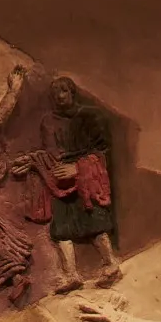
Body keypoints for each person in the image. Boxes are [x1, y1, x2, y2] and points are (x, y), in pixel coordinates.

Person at [43, 73, 122, 291]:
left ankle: (111, 264)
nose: (59, 96)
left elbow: (102, 150)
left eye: (63, 90)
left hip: (86, 177)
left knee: (94, 222)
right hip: (62, 179)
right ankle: (71, 275)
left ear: (72, 92)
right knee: (61, 227)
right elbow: (50, 151)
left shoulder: (90, 116)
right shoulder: (49, 122)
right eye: (55, 93)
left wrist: (78, 168)